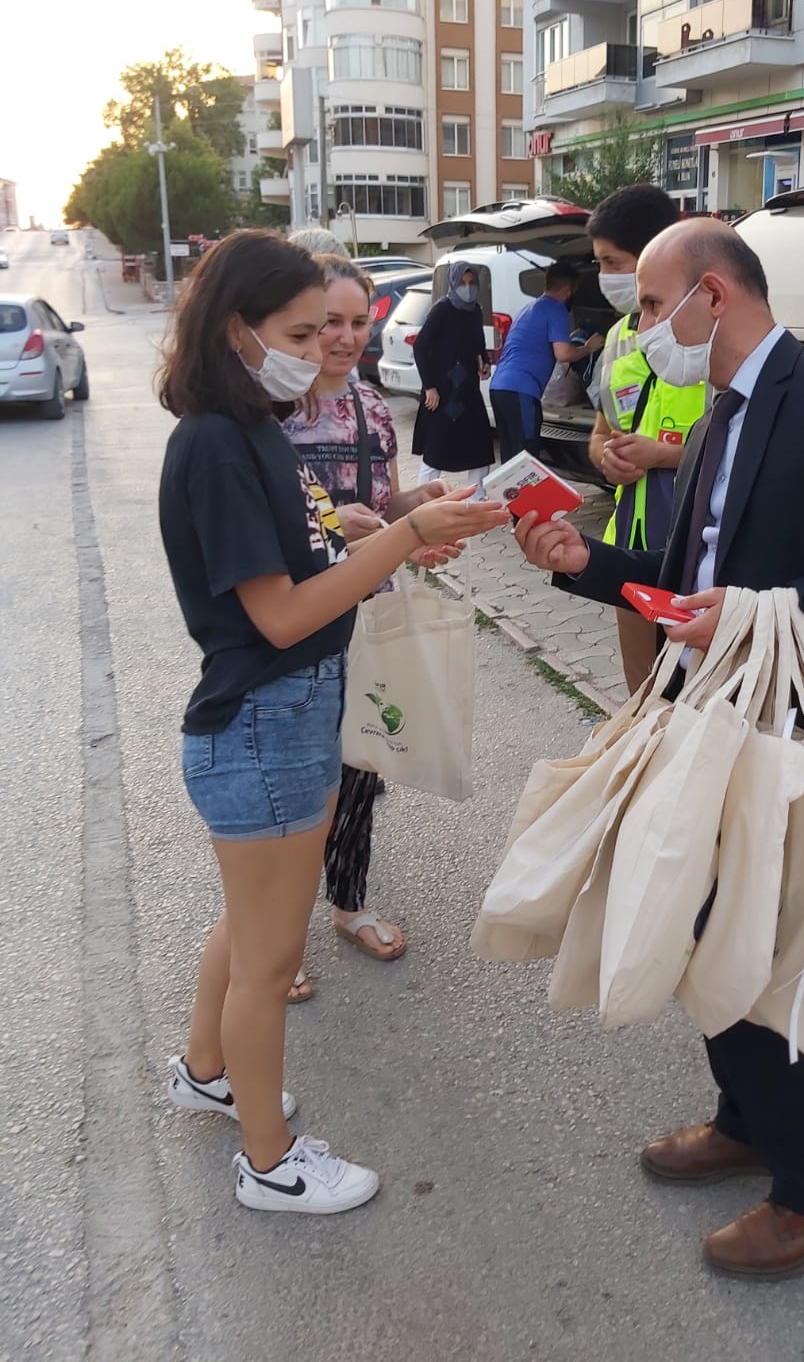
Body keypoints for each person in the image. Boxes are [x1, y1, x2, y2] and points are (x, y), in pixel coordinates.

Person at [516, 219, 804, 1278]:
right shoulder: (724, 412)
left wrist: (771, 610)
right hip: (716, 714)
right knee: (723, 923)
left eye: (650, 303)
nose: (643, 327)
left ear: (713, 297)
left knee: (728, 931)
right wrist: (584, 562)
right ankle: (748, 1116)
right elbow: (690, 588)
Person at [157, 230, 507, 1214]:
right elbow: (279, 613)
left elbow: (301, 559)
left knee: (252, 922)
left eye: (328, 331)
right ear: (236, 330)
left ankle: (205, 1069)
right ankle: (270, 1160)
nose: (318, 350)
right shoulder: (217, 444)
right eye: (300, 332)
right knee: (270, 959)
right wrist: (401, 535)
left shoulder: (257, 428)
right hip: (262, 723)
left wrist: (369, 528)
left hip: (288, 714)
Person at [282, 253, 440, 992]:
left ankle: (347, 903)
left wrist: (425, 511)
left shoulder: (374, 407)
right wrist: (325, 518)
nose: (342, 338)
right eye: (328, 323)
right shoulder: (271, 411)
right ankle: (271, 940)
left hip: (369, 614)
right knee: (297, 776)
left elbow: (386, 507)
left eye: (355, 321)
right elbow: (262, 523)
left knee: (363, 763)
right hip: (294, 619)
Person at [586, 186, 707, 693]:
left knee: (701, 700)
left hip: (698, 558)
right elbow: (600, 434)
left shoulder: (710, 338)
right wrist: (607, 460)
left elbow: (746, 452)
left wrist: (663, 455)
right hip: (629, 549)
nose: (604, 276)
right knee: (641, 698)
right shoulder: (618, 337)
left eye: (612, 262)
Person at [488, 260, 603, 463]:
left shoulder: (530, 308)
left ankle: (510, 494)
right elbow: (563, 354)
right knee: (526, 455)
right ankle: (526, 495)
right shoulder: (555, 309)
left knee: (511, 455)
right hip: (520, 389)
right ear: (568, 290)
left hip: (499, 388)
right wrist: (588, 348)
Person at [412, 262, 495, 494]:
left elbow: (478, 343)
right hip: (442, 391)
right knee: (436, 447)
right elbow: (420, 346)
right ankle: (424, 498)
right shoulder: (442, 310)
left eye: (471, 283)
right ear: (453, 283)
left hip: (467, 388)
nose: (467, 288)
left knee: (479, 444)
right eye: (462, 283)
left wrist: (484, 362)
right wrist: (429, 386)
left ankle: (476, 498)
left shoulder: (475, 311)